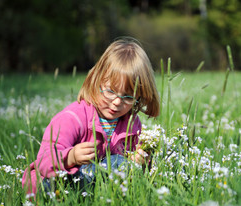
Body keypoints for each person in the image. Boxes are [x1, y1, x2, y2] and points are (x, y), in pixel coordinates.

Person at [22, 38, 160, 195]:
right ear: (96, 80)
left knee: (121, 164)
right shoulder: (73, 118)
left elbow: (131, 168)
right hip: (53, 181)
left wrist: (140, 161)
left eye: (128, 97)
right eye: (110, 91)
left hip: (97, 183)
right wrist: (71, 157)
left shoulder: (132, 124)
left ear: (139, 98)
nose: (116, 102)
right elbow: (44, 160)